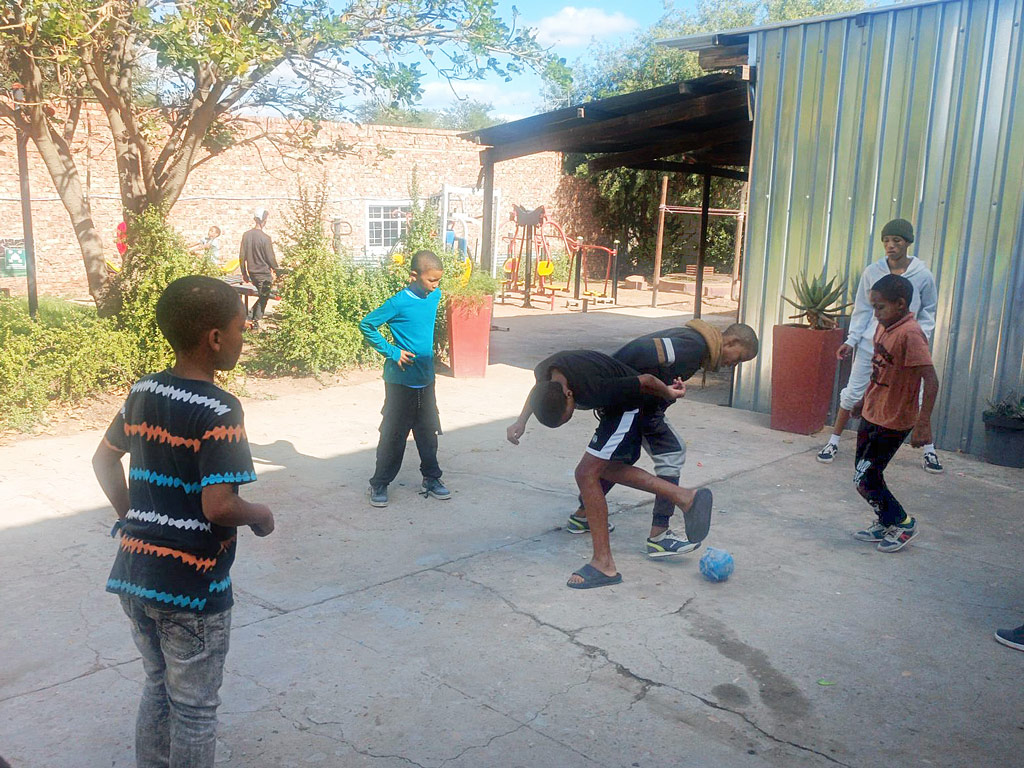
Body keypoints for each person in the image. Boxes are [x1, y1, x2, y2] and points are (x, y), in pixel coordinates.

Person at [91, 275, 275, 767]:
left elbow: (103, 461)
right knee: (194, 709)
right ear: (215, 338)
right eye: (240, 327)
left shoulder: (142, 391)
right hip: (192, 587)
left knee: (158, 686)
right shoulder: (220, 409)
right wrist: (260, 515)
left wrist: (136, 519)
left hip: (135, 574)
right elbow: (219, 507)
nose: (244, 335)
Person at [507, 350, 714, 589]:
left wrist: (668, 392)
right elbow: (536, 392)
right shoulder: (545, 373)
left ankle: (604, 564)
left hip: (628, 406)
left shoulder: (592, 386)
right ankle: (685, 497)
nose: (570, 417)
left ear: (569, 393)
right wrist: (522, 420)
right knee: (604, 469)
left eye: (568, 414)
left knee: (585, 473)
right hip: (611, 408)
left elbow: (646, 380)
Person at [565, 320, 758, 558]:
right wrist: (616, 380)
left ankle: (583, 515)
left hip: (637, 405)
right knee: (668, 453)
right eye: (738, 358)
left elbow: (653, 361)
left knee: (619, 461)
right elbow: (642, 350)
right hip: (630, 405)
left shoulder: (696, 344)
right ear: (732, 341)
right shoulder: (695, 346)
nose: (733, 364)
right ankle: (659, 536)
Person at [817, 218, 942, 473]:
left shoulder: (922, 275)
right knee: (854, 391)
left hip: (904, 347)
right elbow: (862, 309)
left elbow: (929, 310)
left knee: (914, 395)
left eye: (896, 240)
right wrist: (852, 340)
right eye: (886, 241)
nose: (890, 245)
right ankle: (833, 441)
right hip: (870, 344)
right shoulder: (872, 272)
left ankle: (928, 449)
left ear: (907, 243)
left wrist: (919, 336)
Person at [851, 273, 937, 553]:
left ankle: (903, 522)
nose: (875, 314)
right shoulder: (884, 327)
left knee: (865, 477)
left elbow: (931, 380)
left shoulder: (910, 334)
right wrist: (863, 400)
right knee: (863, 474)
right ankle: (886, 520)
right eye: (873, 307)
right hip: (873, 412)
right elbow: (879, 369)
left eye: (880, 307)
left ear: (900, 304)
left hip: (895, 419)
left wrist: (923, 424)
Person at [360, 250, 450, 507]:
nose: (436, 287)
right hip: (400, 383)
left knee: (427, 432)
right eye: (431, 280)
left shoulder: (435, 296)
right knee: (393, 434)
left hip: (426, 380)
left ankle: (431, 478)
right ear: (414, 276)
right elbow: (367, 325)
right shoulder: (398, 302)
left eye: (438, 281)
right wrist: (392, 351)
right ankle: (379, 483)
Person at [239, 209, 279, 328]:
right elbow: (270, 258)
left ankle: (250, 319)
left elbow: (242, 256)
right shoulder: (265, 238)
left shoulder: (246, 235)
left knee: (263, 295)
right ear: (264, 220)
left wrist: (244, 273)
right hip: (264, 274)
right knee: (263, 298)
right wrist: (277, 270)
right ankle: (253, 321)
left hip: (252, 273)